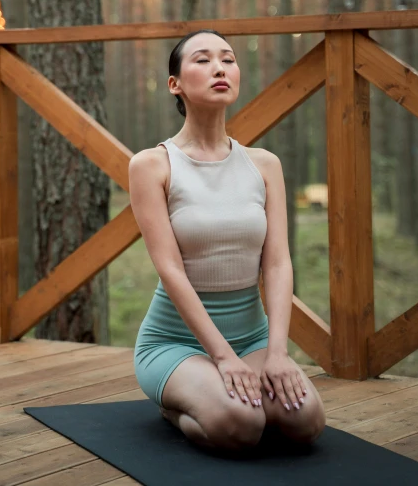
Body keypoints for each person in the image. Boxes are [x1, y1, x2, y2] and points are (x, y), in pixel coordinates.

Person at [129, 29, 326, 453]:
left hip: (252, 340)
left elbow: (276, 265)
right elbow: (170, 269)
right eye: (202, 60)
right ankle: (175, 407)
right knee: (240, 425)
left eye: (228, 59)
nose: (219, 67)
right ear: (174, 84)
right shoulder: (152, 165)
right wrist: (221, 358)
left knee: (305, 422)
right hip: (175, 343)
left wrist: (277, 353)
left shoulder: (264, 164)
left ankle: (234, 386)